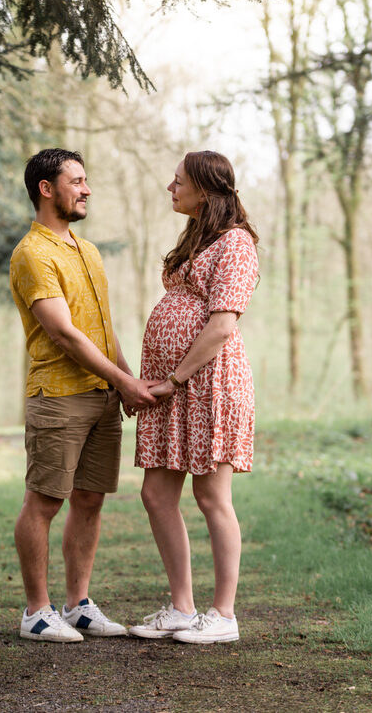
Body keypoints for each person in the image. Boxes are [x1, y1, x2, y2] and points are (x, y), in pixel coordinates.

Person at [9, 148, 158, 643]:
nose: (87, 188)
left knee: (90, 499)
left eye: (86, 179)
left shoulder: (87, 251)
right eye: (76, 180)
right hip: (58, 395)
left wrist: (127, 380)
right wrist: (124, 381)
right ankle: (36, 611)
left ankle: (78, 606)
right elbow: (66, 335)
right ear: (46, 189)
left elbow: (102, 329)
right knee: (45, 501)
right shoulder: (32, 254)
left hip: (102, 395)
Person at [128, 150, 259, 644]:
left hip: (207, 384)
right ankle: (182, 608)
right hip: (174, 387)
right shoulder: (197, 238)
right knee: (156, 494)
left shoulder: (236, 243)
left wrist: (176, 378)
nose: (170, 187)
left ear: (206, 188)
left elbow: (223, 324)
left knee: (211, 497)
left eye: (178, 180)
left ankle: (223, 615)